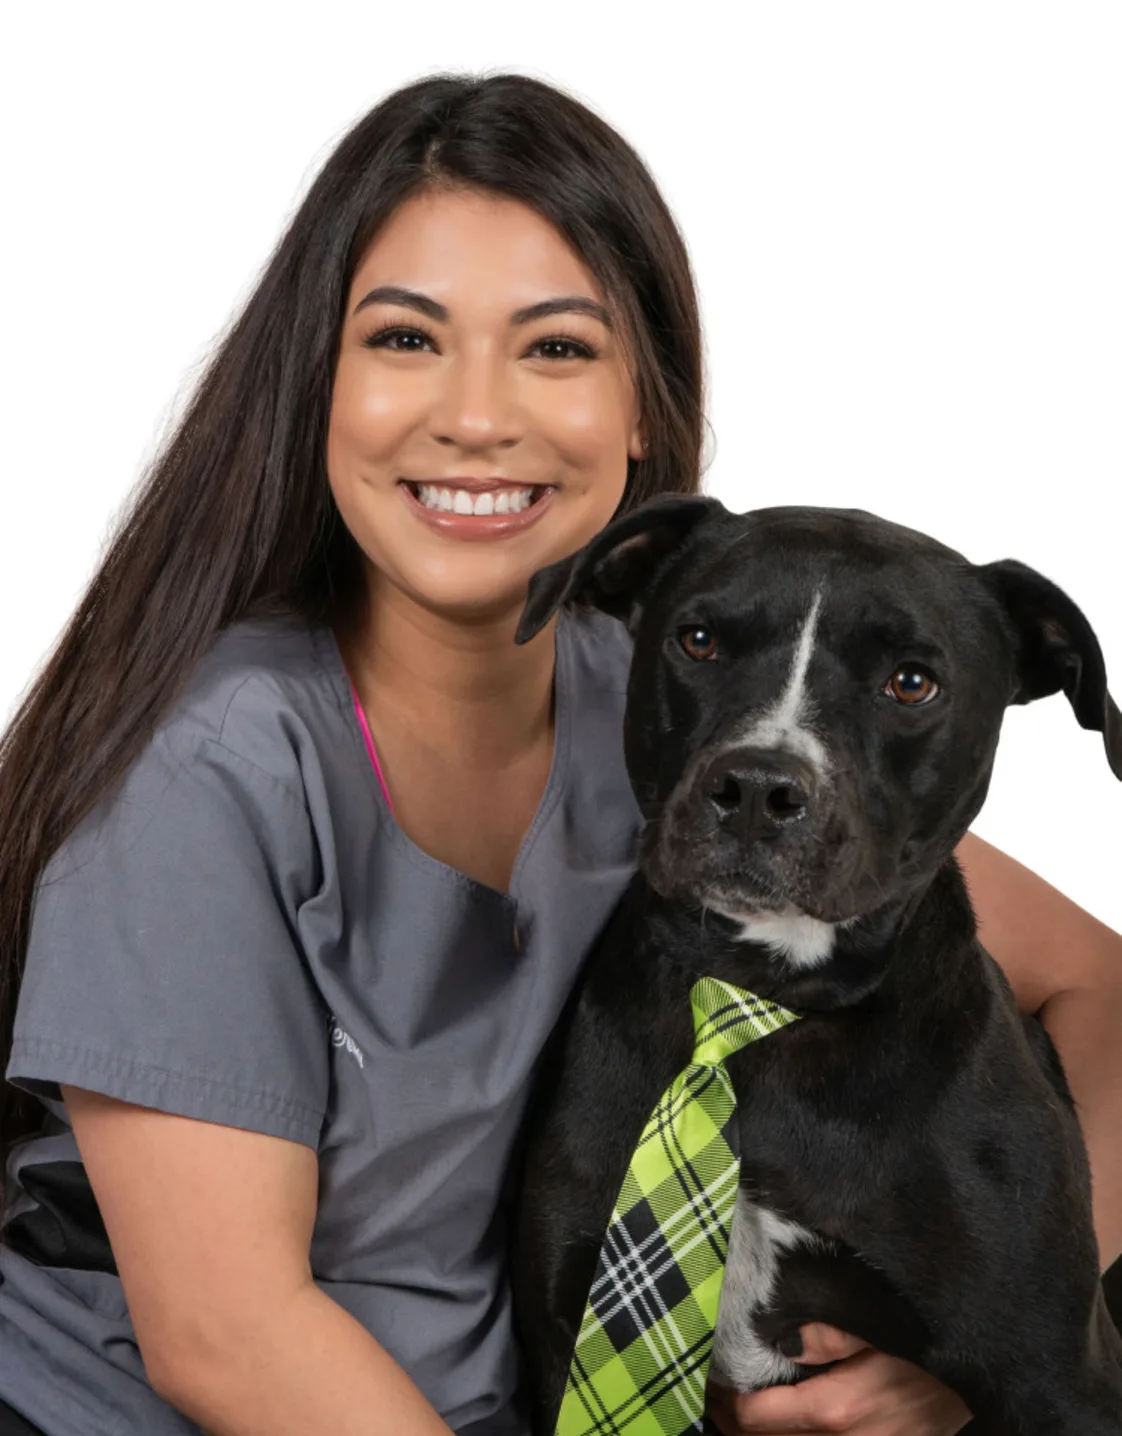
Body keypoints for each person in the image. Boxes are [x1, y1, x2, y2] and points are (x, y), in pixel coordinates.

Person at [0, 72, 1117, 1436]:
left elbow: (1098, 989)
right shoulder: (207, 773)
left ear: (642, 410)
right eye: (405, 341)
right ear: (317, 385)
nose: (477, 416)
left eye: (555, 349)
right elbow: (226, 1341)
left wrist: (1014, 1314)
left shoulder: (656, 695)